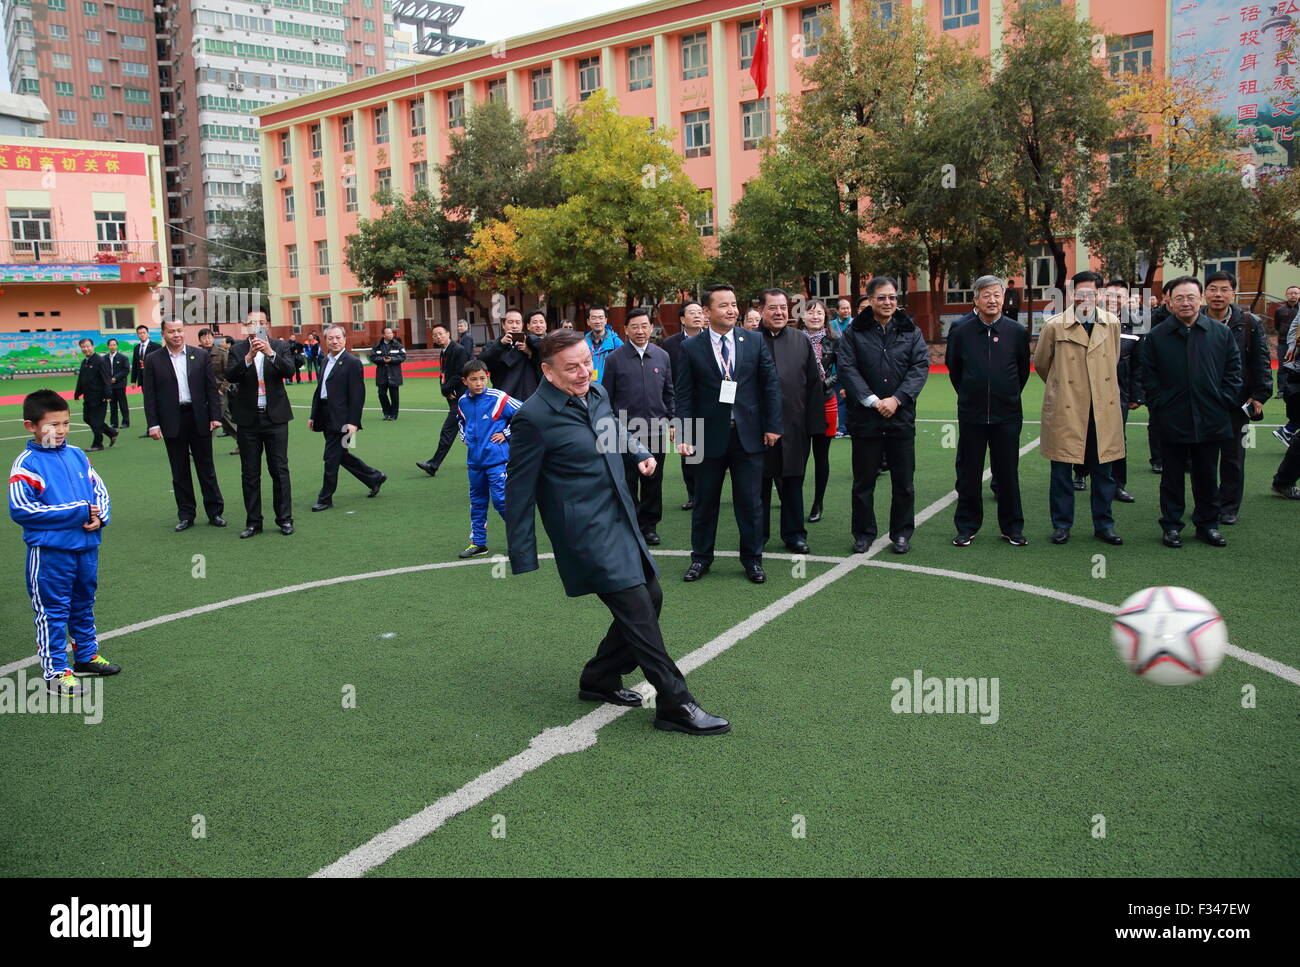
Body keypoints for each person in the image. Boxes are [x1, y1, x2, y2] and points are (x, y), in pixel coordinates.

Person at [505, 330, 730, 736]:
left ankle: (599, 677)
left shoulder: (596, 394)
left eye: (586, 363)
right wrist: (522, 554)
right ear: (547, 371)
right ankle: (675, 702)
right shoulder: (532, 417)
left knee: (652, 596)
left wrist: (640, 452)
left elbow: (611, 429)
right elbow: (518, 491)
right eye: (571, 367)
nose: (582, 373)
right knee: (638, 610)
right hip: (584, 532)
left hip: (621, 517)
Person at [9, 389, 120, 696]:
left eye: (66, 424)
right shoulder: (27, 464)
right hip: (51, 554)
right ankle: (56, 671)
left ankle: (86, 655)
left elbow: (100, 491)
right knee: (53, 611)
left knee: (84, 604)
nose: (60, 431)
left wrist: (100, 517)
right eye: (52, 425)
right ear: (30, 426)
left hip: (86, 548)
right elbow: (22, 510)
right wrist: (78, 512)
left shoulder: (76, 455)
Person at [674, 284, 783, 583]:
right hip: (707, 438)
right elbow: (683, 394)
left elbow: (769, 385)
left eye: (734, 304)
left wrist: (773, 425)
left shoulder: (753, 340)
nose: (732, 310)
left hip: (749, 436)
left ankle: (753, 560)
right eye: (724, 306)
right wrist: (683, 432)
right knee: (705, 501)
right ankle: (701, 559)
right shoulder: (690, 347)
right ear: (707, 312)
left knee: (750, 502)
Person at [1141, 276, 1242, 547]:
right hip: (1171, 418)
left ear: (1201, 299)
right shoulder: (1156, 336)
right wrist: (1159, 403)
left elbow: (1234, 371)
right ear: (1169, 302)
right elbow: (1148, 376)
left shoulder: (1220, 333)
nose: (1186, 302)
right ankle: (1172, 526)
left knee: (1207, 475)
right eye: (1179, 298)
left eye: (1191, 297)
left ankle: (1207, 524)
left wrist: (1224, 400)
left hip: (1211, 418)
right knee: (1172, 476)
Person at [836, 277, 928, 554]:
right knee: (863, 482)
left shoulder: (910, 330)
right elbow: (847, 367)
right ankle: (863, 533)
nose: (887, 303)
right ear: (870, 300)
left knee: (903, 482)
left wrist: (897, 399)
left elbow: (920, 366)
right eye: (881, 298)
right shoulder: (854, 331)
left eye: (891, 297)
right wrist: (874, 401)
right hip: (866, 419)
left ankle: (901, 534)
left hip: (900, 418)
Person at [1033, 270, 1125, 547]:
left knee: (1104, 471)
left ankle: (1104, 524)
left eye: (1091, 292)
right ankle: (1062, 525)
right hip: (1067, 407)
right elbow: (1042, 364)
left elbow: (1114, 360)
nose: (1086, 297)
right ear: (1071, 294)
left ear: (1099, 294)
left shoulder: (1111, 323)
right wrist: (1063, 387)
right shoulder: (1054, 325)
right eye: (1080, 292)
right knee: (1061, 471)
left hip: (1101, 407)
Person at [946, 276, 1030, 547]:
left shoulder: (1016, 331)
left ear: (1003, 298)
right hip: (972, 414)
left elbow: (1022, 370)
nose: (992, 300)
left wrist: (1007, 395)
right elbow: (954, 369)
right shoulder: (960, 330)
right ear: (976, 300)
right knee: (969, 472)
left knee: (1007, 472)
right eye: (986, 295)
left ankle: (1012, 527)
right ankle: (966, 526)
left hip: (1007, 414)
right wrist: (972, 393)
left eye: (997, 294)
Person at [143, 319, 226, 531]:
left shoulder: (200, 356)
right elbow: (150, 395)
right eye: (171, 331)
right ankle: (186, 514)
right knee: (179, 471)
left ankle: (215, 512)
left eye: (180, 330)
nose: (177, 335)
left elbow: (211, 389)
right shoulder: (153, 360)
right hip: (172, 420)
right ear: (163, 333)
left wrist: (215, 416)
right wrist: (153, 424)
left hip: (199, 418)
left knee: (206, 468)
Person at [758, 289, 825, 554]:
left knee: (793, 483)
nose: (779, 313)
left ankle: (795, 534)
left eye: (783, 308)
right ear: (761, 310)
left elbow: (813, 386)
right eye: (772, 308)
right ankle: (758, 535)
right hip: (759, 429)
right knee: (759, 486)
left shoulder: (800, 340)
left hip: (795, 426)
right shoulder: (750, 341)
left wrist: (814, 426)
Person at [601, 307, 675, 546]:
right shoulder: (614, 359)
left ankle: (649, 526)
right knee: (628, 480)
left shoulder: (662, 356)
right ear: (625, 330)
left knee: (653, 481)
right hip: (625, 432)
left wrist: (672, 421)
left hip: (656, 430)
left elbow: (669, 393)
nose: (640, 331)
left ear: (651, 327)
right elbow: (606, 398)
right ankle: (631, 525)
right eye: (634, 326)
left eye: (644, 325)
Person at [1203, 270, 1271, 525]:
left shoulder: (1249, 323)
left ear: (1233, 293)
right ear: (1204, 293)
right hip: (1204, 401)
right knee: (1204, 458)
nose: (1217, 295)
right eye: (1212, 289)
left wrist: (1260, 394)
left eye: (1223, 289)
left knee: (1233, 458)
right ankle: (1208, 503)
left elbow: (1260, 360)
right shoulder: (1193, 320)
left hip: (1237, 401)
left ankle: (1229, 506)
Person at [226, 310, 296, 538]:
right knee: (250, 473)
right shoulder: (237, 349)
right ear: (245, 326)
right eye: (252, 323)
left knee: (279, 470)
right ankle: (253, 522)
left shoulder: (279, 346)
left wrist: (270, 353)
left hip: (275, 418)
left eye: (261, 323)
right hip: (248, 420)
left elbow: (290, 371)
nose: (256, 326)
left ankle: (285, 519)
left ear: (268, 325)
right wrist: (248, 358)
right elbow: (231, 376)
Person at [307, 326, 385, 512]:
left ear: (344, 339)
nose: (334, 341)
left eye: (338, 337)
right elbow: (320, 390)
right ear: (325, 340)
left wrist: (353, 422)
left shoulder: (352, 362)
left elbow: (357, 395)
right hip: (326, 416)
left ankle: (325, 498)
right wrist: (313, 415)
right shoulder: (325, 360)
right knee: (341, 455)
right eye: (331, 338)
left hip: (343, 421)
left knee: (331, 457)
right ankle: (374, 477)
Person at [456, 359, 523, 558]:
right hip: (474, 463)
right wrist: (464, 435)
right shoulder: (463, 402)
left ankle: (520, 541)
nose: (478, 383)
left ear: (488, 378)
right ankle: (478, 543)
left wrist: (507, 433)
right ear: (464, 381)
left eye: (482, 379)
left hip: (498, 462)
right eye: (473, 379)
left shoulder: (498, 397)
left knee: (502, 502)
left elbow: (525, 412)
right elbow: (461, 420)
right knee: (477, 502)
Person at [661, 299, 705, 510]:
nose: (697, 316)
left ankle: (708, 493)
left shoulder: (712, 340)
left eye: (700, 312)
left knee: (711, 452)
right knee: (688, 453)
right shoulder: (670, 345)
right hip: (683, 405)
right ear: (682, 319)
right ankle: (693, 495)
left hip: (710, 405)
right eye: (692, 313)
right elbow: (667, 380)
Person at [417, 322, 470, 477]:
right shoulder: (444, 351)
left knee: (448, 430)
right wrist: (445, 390)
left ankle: (433, 464)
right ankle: (482, 459)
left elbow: (460, 373)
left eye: (441, 333)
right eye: (435, 335)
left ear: (448, 334)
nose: (438, 337)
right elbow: (444, 374)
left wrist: (446, 389)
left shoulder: (458, 350)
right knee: (471, 430)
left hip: (461, 397)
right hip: (453, 396)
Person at [802, 299, 838, 522]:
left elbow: (843, 370)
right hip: (800, 404)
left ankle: (818, 503)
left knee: (821, 457)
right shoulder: (794, 339)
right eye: (810, 313)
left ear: (825, 318)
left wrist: (822, 385)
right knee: (799, 456)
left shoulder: (835, 341)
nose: (815, 317)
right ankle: (794, 502)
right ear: (802, 317)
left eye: (819, 314)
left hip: (825, 401)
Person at [481, 308, 539, 400]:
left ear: (522, 325)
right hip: (503, 397)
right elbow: (483, 363)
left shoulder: (532, 344)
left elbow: (543, 364)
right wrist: (501, 344)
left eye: (518, 322)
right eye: (510, 322)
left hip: (528, 397)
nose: (514, 326)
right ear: (503, 325)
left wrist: (529, 352)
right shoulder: (494, 345)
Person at [73, 338, 118, 452]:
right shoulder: (85, 362)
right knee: (87, 418)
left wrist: (107, 395)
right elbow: (81, 379)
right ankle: (111, 432)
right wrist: (77, 393)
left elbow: (106, 379)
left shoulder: (100, 360)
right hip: (88, 396)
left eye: (88, 346)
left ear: (93, 347)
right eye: (83, 347)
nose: (86, 349)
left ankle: (98, 443)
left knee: (96, 421)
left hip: (99, 396)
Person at [199, 328, 239, 453]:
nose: (207, 340)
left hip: (219, 391)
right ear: (199, 339)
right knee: (226, 419)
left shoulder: (222, 353)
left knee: (213, 418)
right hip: (205, 392)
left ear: (213, 338)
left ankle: (201, 448)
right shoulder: (197, 354)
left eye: (209, 337)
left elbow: (230, 373)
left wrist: (222, 389)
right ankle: (244, 442)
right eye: (204, 337)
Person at [130, 324, 160, 438]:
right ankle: (150, 428)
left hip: (156, 379)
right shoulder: (137, 348)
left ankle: (162, 425)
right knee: (148, 403)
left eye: (143, 333)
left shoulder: (156, 346)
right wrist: (133, 380)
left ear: (148, 334)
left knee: (158, 403)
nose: (142, 335)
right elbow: (136, 364)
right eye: (139, 333)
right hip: (143, 380)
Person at [1273, 284, 1299, 417]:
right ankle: (1281, 390)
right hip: (1284, 343)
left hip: (1299, 345)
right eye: (1290, 293)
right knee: (1283, 367)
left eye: (1295, 293)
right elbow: (1277, 325)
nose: (1293, 295)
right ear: (1286, 295)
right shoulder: (1280, 310)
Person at [371, 326, 406, 421]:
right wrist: (382, 359)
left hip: (394, 374)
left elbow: (403, 356)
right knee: (381, 394)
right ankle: (386, 412)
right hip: (382, 374)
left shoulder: (398, 345)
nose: (391, 335)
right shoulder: (377, 345)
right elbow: (373, 357)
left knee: (394, 396)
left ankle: (394, 415)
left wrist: (392, 359)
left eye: (392, 333)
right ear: (383, 335)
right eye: (389, 333)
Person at [584, 306, 623, 383]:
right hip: (587, 389)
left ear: (605, 320)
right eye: (594, 318)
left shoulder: (616, 343)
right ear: (588, 321)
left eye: (601, 318)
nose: (598, 321)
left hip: (608, 390)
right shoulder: (582, 343)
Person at [105, 338, 130, 430]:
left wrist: (116, 378)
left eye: (114, 344)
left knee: (123, 404)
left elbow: (126, 370)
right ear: (108, 346)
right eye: (111, 345)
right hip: (109, 385)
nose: (112, 346)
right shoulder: (104, 358)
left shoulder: (123, 358)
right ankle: (114, 423)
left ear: (117, 346)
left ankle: (125, 422)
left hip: (120, 385)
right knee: (112, 405)